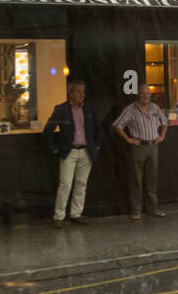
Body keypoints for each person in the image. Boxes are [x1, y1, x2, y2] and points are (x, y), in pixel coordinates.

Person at [43, 79, 100, 228]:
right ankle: (59, 216)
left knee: (81, 184)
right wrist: (54, 149)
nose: (82, 94)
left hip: (86, 151)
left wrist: (97, 145)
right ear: (70, 93)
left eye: (83, 91)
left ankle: (76, 214)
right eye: (78, 91)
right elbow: (48, 130)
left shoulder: (89, 109)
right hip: (69, 151)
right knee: (65, 184)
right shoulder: (61, 110)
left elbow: (97, 128)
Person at [113, 89, 168, 220]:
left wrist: (162, 136)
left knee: (152, 179)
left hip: (153, 146)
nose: (145, 96)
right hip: (138, 147)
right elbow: (117, 125)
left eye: (147, 93)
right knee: (136, 179)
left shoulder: (154, 107)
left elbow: (165, 122)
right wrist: (128, 139)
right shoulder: (131, 109)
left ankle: (152, 208)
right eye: (143, 93)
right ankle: (136, 210)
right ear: (138, 95)